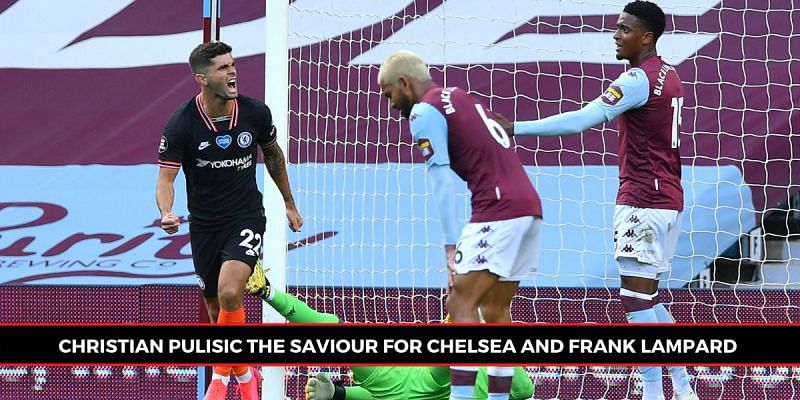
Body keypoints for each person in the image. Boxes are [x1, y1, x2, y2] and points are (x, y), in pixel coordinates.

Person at [496, 2, 697, 399]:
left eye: (624, 29)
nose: (615, 35)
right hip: (667, 197)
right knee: (647, 298)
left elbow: (580, 120)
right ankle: (685, 386)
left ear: (647, 37)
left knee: (635, 300)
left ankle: (654, 392)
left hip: (643, 200)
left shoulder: (637, 79)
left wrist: (516, 127)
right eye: (616, 27)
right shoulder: (669, 74)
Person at [377, 51, 543, 400]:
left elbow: (441, 179)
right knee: (496, 310)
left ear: (405, 83)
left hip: (497, 209)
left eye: (390, 94)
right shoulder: (458, 95)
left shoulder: (423, 112)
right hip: (529, 207)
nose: (392, 106)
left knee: (459, 304)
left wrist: (451, 245)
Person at [155, 41, 303, 400]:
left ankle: (219, 381)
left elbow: (273, 157)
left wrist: (288, 202)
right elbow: (165, 179)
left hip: (246, 216)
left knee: (231, 291)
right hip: (204, 225)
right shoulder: (181, 124)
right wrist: (166, 213)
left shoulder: (255, 113)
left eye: (232, 64)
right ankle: (243, 372)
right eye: (222, 68)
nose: (232, 72)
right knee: (216, 311)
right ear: (201, 79)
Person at [244, 261, 535, 400]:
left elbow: (385, 397)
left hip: (409, 381)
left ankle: (269, 291)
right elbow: (524, 389)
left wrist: (339, 395)